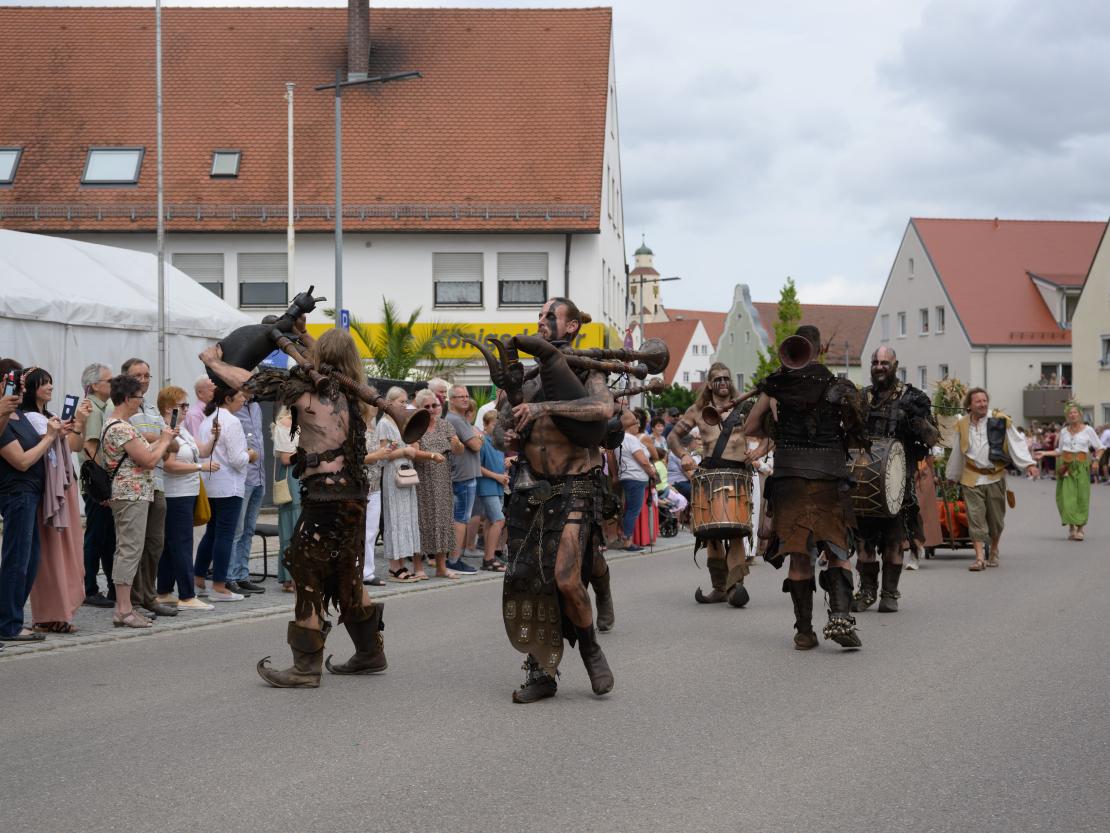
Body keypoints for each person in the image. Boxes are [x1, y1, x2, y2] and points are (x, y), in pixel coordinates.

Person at [202, 326, 392, 688]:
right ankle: (370, 652)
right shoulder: (357, 395)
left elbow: (249, 383)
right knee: (347, 575)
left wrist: (214, 362)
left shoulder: (309, 393)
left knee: (307, 576)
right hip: (353, 497)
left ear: (321, 358)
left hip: (325, 499)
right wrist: (304, 339)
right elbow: (327, 360)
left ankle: (305, 668)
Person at [494, 297, 617, 703]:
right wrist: (507, 433)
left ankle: (591, 649)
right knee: (531, 584)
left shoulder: (586, 369)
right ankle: (541, 672)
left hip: (575, 485)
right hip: (531, 490)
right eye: (540, 315)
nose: (542, 320)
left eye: (551, 315)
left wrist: (544, 406)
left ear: (572, 326)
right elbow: (498, 432)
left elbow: (602, 408)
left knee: (565, 579)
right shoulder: (525, 378)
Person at [744, 325, 867, 651]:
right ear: (820, 350)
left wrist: (777, 424)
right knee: (838, 551)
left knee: (800, 557)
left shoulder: (776, 388)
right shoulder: (839, 386)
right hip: (829, 478)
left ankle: (804, 632)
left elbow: (750, 427)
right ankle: (840, 618)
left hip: (790, 480)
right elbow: (857, 433)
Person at [848, 348, 938, 614]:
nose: (879, 367)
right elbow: (848, 436)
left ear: (895, 365)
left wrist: (917, 420)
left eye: (884, 363)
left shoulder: (913, 398)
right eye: (875, 362)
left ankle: (889, 594)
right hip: (864, 481)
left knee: (894, 542)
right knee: (863, 542)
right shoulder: (862, 398)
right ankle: (866, 592)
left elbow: (932, 438)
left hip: (898, 483)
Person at [668, 362, 755, 607]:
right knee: (711, 535)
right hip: (709, 475)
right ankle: (719, 587)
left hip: (738, 475)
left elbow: (769, 430)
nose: (723, 382)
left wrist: (758, 451)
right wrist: (683, 455)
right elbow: (673, 436)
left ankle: (735, 587)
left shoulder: (744, 407)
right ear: (709, 384)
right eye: (718, 379)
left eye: (727, 378)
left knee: (736, 534)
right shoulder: (698, 410)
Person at [100, 374, 178, 628]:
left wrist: (163, 440)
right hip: (130, 494)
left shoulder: (121, 425)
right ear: (126, 398)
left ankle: (125, 608)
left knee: (129, 549)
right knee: (129, 550)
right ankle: (123, 609)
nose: (141, 401)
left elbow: (145, 455)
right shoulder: (121, 427)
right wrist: (165, 440)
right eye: (138, 397)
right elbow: (150, 460)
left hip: (132, 493)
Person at [18, 369, 91, 634]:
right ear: (30, 388)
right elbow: (39, 447)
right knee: (50, 553)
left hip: (63, 484)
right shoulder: (26, 419)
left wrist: (79, 423)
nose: (50, 387)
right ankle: (48, 614)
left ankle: (62, 610)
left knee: (69, 547)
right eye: (43, 383)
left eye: (50, 382)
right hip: (47, 487)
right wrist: (56, 433)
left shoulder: (50, 417)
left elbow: (75, 446)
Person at [945, 387, 1038, 570]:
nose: (983, 404)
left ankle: (994, 549)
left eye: (985, 400)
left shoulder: (999, 419)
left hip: (995, 477)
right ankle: (980, 558)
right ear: (969, 405)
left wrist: (1029, 464)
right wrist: (952, 476)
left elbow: (1016, 442)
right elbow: (957, 452)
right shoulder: (962, 424)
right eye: (978, 401)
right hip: (971, 477)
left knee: (996, 521)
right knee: (975, 517)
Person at [0, 375, 61, 644]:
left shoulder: (18, 416)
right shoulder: (5, 420)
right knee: (17, 560)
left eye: (22, 384)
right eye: (16, 383)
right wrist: (49, 437)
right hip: (17, 492)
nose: (20, 389)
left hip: (31, 493)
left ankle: (10, 618)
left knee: (30, 558)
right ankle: (8, 624)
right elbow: (22, 461)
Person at [122, 358, 178, 618]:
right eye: (138, 375)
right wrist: (161, 439)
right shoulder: (122, 406)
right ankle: (132, 601)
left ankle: (149, 595)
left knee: (155, 544)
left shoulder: (152, 408)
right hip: (134, 482)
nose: (143, 380)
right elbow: (133, 440)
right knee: (133, 546)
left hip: (157, 481)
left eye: (147, 375)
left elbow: (172, 444)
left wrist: (161, 440)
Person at [156, 385, 218, 611]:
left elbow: (201, 451)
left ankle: (164, 591)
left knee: (171, 544)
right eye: (182, 406)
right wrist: (200, 467)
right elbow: (169, 465)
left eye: (186, 405)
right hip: (176, 493)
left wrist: (214, 437)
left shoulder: (181, 429)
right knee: (182, 544)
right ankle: (186, 595)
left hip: (187, 492)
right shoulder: (167, 430)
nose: (186, 410)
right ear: (168, 408)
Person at [193, 387, 253, 601]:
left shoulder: (206, 420)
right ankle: (219, 585)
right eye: (240, 396)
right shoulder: (232, 421)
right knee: (225, 535)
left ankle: (199, 578)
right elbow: (237, 459)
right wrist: (250, 455)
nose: (244, 399)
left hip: (211, 482)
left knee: (212, 533)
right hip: (229, 485)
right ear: (228, 398)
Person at [78, 362, 117, 607]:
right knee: (96, 536)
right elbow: (91, 447)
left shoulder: (103, 406)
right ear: (94, 385)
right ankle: (89, 588)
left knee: (106, 537)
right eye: (109, 381)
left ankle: (112, 587)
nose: (113, 384)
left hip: (98, 483)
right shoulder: (92, 408)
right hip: (97, 485)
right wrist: (104, 485)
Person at [1034, 403, 1103, 541]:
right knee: (1066, 498)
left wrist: (1096, 460)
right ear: (1067, 416)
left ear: (1080, 414)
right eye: (1070, 413)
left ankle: (1080, 528)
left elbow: (1100, 447)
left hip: (1081, 466)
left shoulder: (1088, 430)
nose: (1072, 415)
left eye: (1075, 412)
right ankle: (1072, 527)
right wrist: (1044, 453)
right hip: (1065, 467)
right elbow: (1059, 451)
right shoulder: (1064, 431)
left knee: (1081, 497)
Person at [411, 389, 458, 580]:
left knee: (443, 521)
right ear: (419, 408)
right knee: (421, 521)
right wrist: (431, 455)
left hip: (443, 480)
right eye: (427, 406)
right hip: (422, 480)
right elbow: (413, 452)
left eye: (434, 405)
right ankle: (418, 566)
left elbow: (458, 449)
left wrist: (458, 444)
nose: (431, 409)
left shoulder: (445, 425)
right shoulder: (416, 426)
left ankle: (441, 567)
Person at [378, 387, 423, 584]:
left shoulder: (404, 422)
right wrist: (404, 451)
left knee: (407, 519)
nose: (404, 405)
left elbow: (415, 446)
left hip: (407, 471)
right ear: (390, 402)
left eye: (406, 402)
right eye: (401, 402)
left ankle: (402, 563)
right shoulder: (384, 424)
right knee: (395, 519)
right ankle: (393, 566)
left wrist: (411, 448)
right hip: (393, 473)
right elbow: (383, 454)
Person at [227, 392, 267, 595]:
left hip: (259, 476)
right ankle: (230, 578)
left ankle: (242, 574)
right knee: (237, 530)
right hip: (242, 477)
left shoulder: (256, 407)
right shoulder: (233, 409)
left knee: (249, 530)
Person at [445, 385, 483, 574]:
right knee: (461, 518)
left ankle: (453, 558)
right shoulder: (455, 420)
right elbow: (476, 445)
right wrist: (479, 437)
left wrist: (477, 437)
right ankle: (454, 560)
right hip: (463, 476)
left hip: (465, 474)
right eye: (461, 396)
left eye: (467, 395)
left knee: (460, 517)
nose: (465, 399)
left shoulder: (459, 419)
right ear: (451, 400)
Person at [475, 408, 509, 571]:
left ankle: (488, 558)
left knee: (490, 521)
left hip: (498, 486)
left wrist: (504, 474)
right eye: (494, 425)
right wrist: (497, 476)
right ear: (485, 425)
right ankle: (489, 558)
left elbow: (498, 464)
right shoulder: (482, 442)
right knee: (499, 520)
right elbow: (477, 467)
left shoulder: (499, 444)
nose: (497, 429)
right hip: (487, 486)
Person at [271, 407, 300, 592]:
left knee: (302, 526)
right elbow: (285, 459)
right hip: (292, 477)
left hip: (304, 475)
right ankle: (291, 577)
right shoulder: (284, 424)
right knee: (292, 525)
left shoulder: (305, 423)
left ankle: (298, 576)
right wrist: (305, 451)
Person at [361, 404, 389, 587]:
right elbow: (357, 458)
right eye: (372, 403)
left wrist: (386, 452)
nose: (375, 407)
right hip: (360, 487)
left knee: (371, 531)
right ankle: (356, 570)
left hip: (375, 485)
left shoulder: (374, 429)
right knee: (359, 530)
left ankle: (367, 572)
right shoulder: (357, 429)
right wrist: (379, 454)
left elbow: (379, 459)